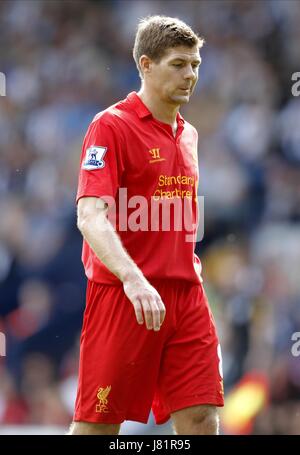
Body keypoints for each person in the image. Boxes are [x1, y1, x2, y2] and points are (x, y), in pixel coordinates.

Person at [69, 15, 224, 436]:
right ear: (145, 64)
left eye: (195, 65)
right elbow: (90, 216)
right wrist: (134, 279)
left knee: (201, 417)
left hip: (185, 296)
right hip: (125, 295)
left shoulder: (188, 133)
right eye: (178, 64)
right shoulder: (110, 126)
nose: (190, 75)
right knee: (98, 426)